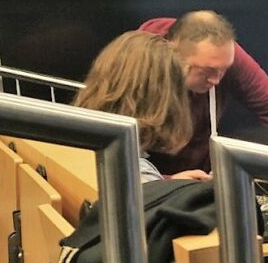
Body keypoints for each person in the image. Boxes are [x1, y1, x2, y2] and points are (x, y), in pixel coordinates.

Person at [138, 10, 268, 175]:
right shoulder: (139, 64)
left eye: (223, 70)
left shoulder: (222, 55)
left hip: (198, 176)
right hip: (148, 183)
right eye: (207, 71)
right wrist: (166, 182)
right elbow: (124, 156)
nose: (216, 80)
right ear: (174, 54)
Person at [73, 31, 206, 182]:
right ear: (164, 98)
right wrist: (161, 187)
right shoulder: (134, 173)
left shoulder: (75, 143)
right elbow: (142, 187)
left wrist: (168, 183)